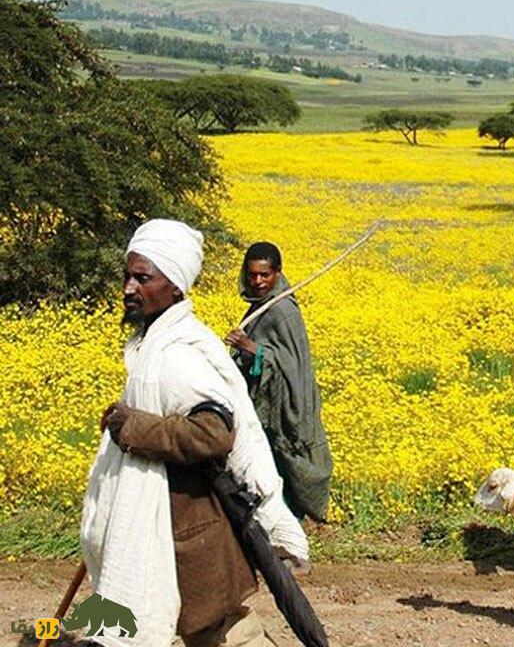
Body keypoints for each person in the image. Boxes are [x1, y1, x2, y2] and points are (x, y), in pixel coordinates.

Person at [81, 219, 308, 646]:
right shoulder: (155, 343)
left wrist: (132, 426)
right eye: (128, 276)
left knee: (222, 631)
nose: (130, 287)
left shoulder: (179, 355)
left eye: (143, 278)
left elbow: (214, 433)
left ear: (175, 287)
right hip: (168, 522)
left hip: (190, 527)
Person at [225, 242, 333, 524]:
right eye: (252, 275)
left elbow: (291, 364)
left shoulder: (282, 311)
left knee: (285, 459)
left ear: (277, 273)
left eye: (265, 275)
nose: (258, 281)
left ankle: (290, 525)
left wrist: (252, 349)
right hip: (264, 398)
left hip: (286, 401)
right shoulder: (261, 305)